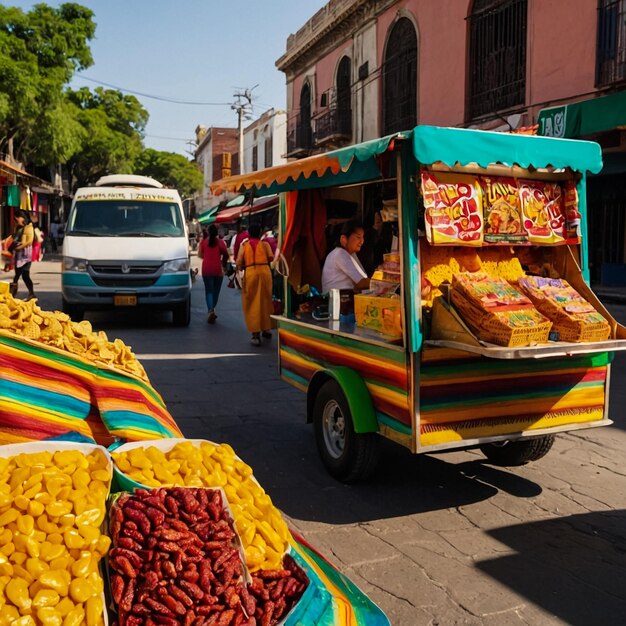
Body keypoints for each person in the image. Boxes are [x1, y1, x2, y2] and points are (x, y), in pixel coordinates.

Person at [236, 221, 274, 346]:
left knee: (252, 302)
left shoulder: (244, 245)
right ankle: (266, 329)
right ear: (260, 233)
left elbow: (239, 262)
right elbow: (270, 258)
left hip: (251, 272)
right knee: (265, 300)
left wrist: (241, 268)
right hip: (265, 272)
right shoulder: (265, 244)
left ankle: (255, 334)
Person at [321, 219, 370, 292]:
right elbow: (361, 283)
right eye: (358, 237)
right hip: (337, 301)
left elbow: (363, 279)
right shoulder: (340, 253)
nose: (362, 241)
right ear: (344, 239)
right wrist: (385, 282)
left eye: (363, 237)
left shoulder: (351, 254)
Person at [198, 224, 229, 324]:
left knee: (209, 291)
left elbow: (200, 254)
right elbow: (226, 254)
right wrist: (224, 265)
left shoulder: (204, 242)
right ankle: (212, 308)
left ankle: (211, 310)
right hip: (217, 269)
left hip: (206, 269)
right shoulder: (220, 242)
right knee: (215, 291)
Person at [5, 210, 36, 300]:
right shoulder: (19, 227)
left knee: (25, 275)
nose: (16, 220)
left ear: (22, 217)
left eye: (17, 218)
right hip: (19, 255)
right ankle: (12, 294)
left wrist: (20, 247)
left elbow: (29, 241)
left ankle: (31, 293)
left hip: (26, 255)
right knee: (17, 275)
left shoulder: (29, 227)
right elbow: (13, 237)